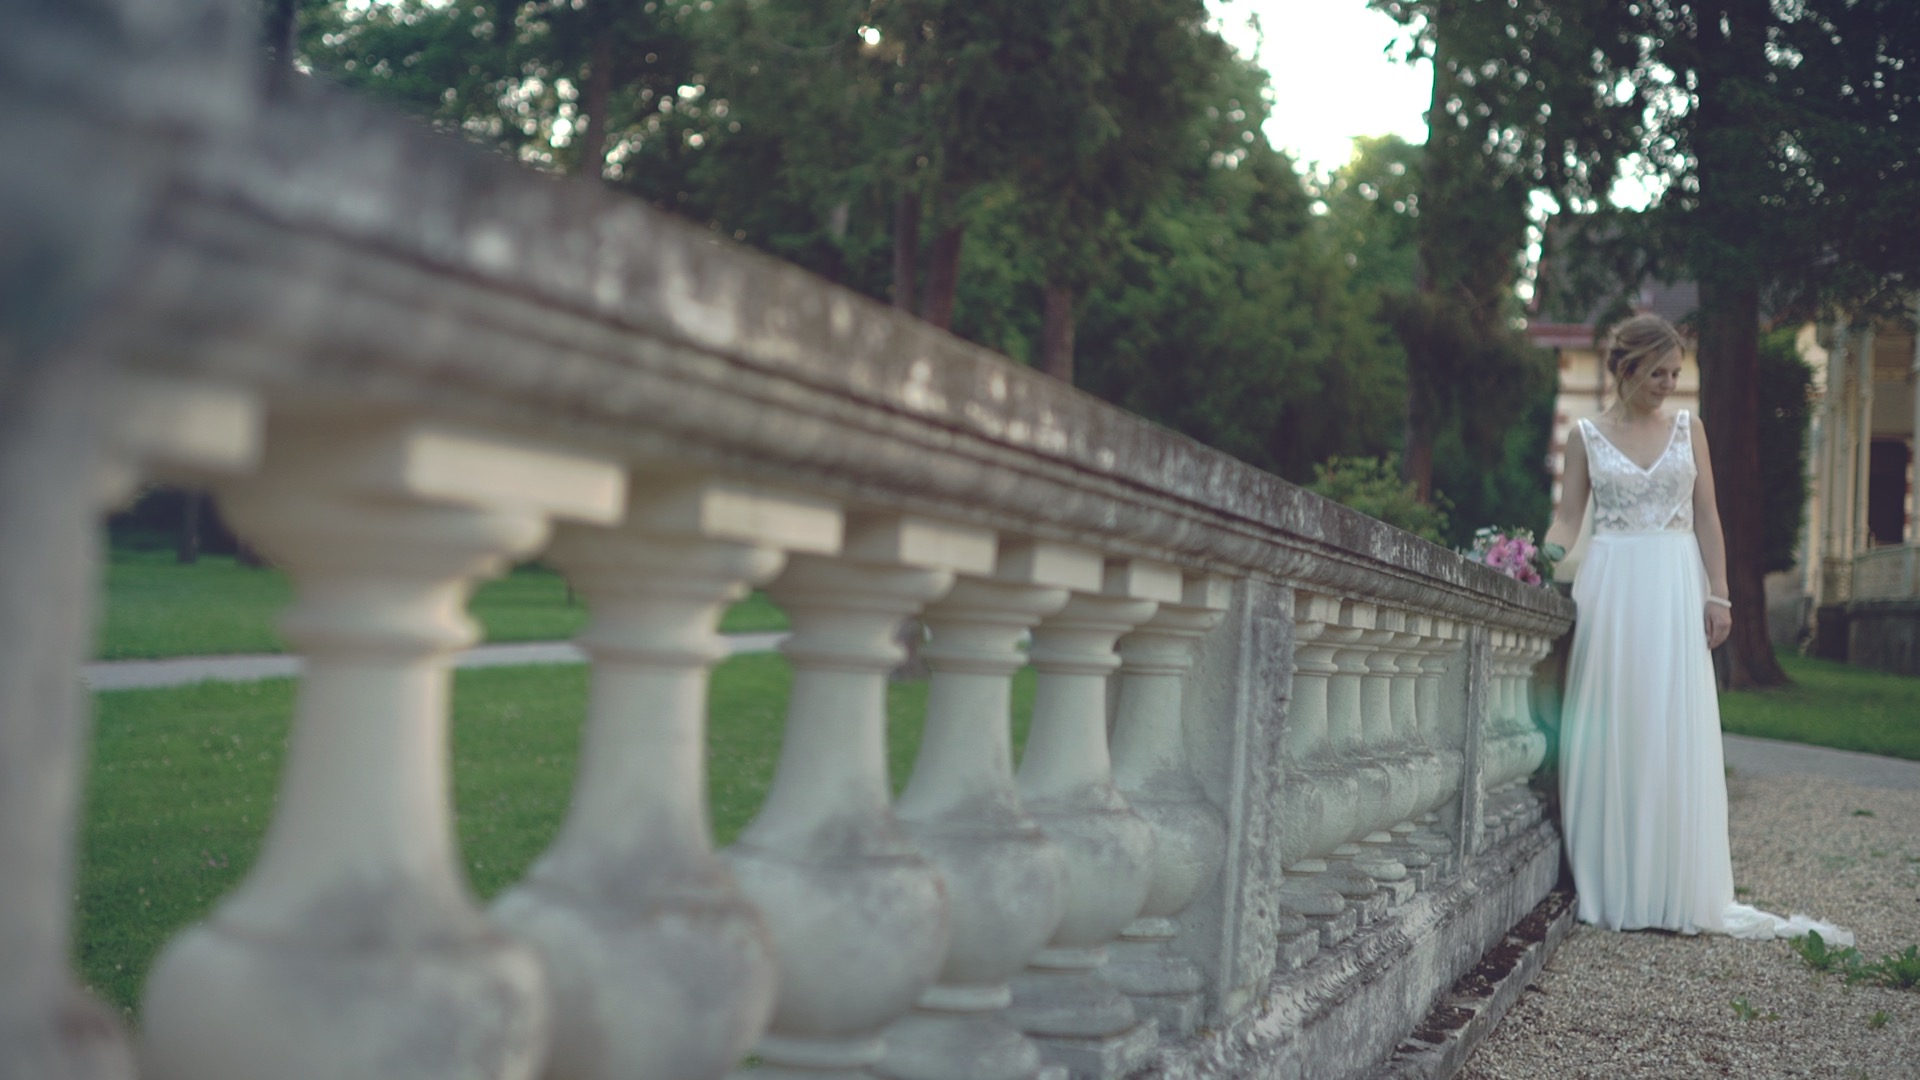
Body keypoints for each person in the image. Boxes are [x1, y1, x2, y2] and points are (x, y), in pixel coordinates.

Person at [1544, 314, 1851, 943]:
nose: (1669, 384)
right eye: (1658, 372)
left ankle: (1673, 883)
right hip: (1612, 587)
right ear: (1625, 368)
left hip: (1674, 583)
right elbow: (1568, 521)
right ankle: (1615, 881)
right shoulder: (1587, 436)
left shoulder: (1690, 430)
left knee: (1669, 724)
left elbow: (1708, 517)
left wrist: (1720, 595)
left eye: (1676, 373)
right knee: (1618, 724)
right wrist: (1526, 560)